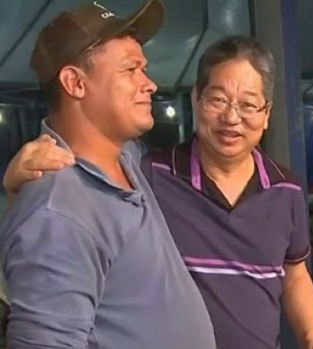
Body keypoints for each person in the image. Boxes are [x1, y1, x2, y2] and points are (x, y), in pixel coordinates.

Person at [4, 36, 313, 349]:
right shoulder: (149, 174)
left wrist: (311, 337)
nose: (232, 118)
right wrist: (19, 180)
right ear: (196, 98)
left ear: (266, 114)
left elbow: (295, 274)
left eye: (247, 105)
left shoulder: (287, 189)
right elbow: (84, 159)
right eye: (217, 99)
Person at [0, 1, 217, 348]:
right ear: (75, 82)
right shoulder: (58, 214)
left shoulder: (125, 157)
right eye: (131, 70)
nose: (150, 84)